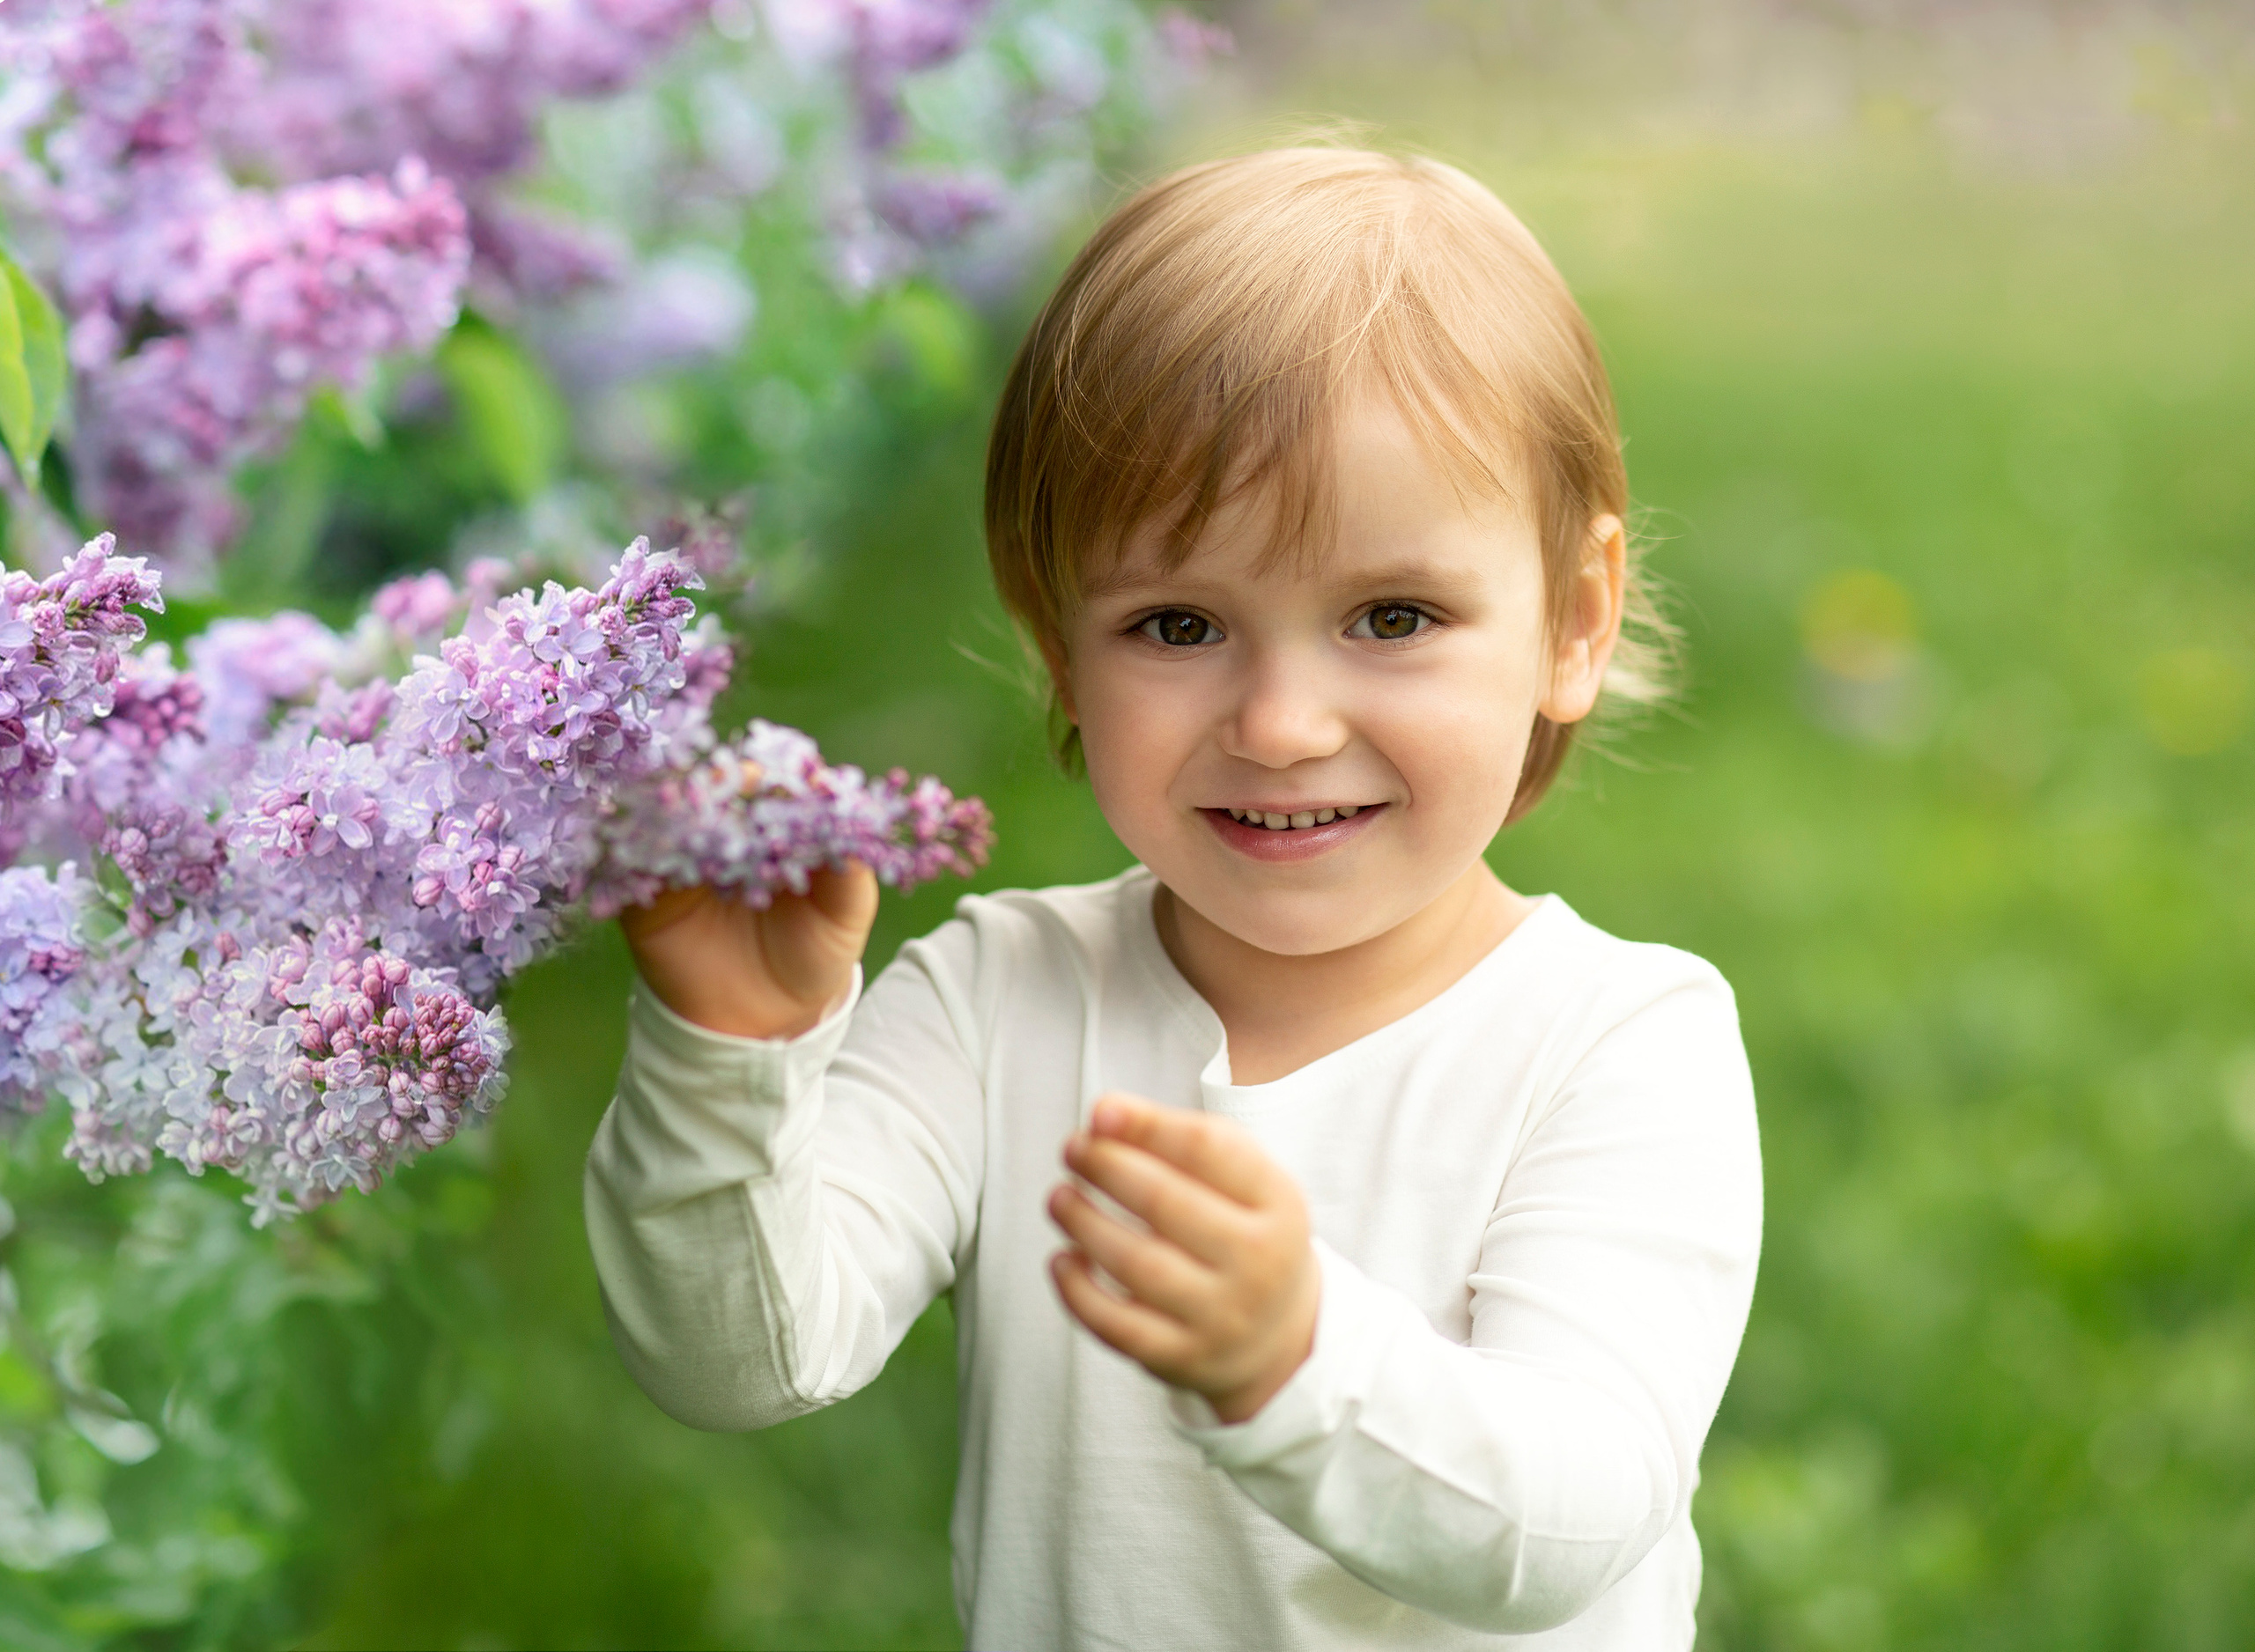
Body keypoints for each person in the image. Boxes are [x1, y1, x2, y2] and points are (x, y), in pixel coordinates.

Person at [584, 145, 1763, 1650]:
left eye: (1392, 616)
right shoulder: (1000, 998)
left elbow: (1572, 1521)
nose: (1281, 725)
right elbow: (742, 1358)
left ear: (1572, 622)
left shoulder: (1617, 1044)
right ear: (1060, 648)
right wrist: (728, 1055)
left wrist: (1297, 1359)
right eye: (1180, 625)